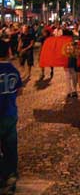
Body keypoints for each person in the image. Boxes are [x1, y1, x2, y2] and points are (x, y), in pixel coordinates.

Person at [0, 39, 23, 194]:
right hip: (10, 114)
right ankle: (11, 175)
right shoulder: (13, 70)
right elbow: (19, 90)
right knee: (10, 147)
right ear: (8, 52)